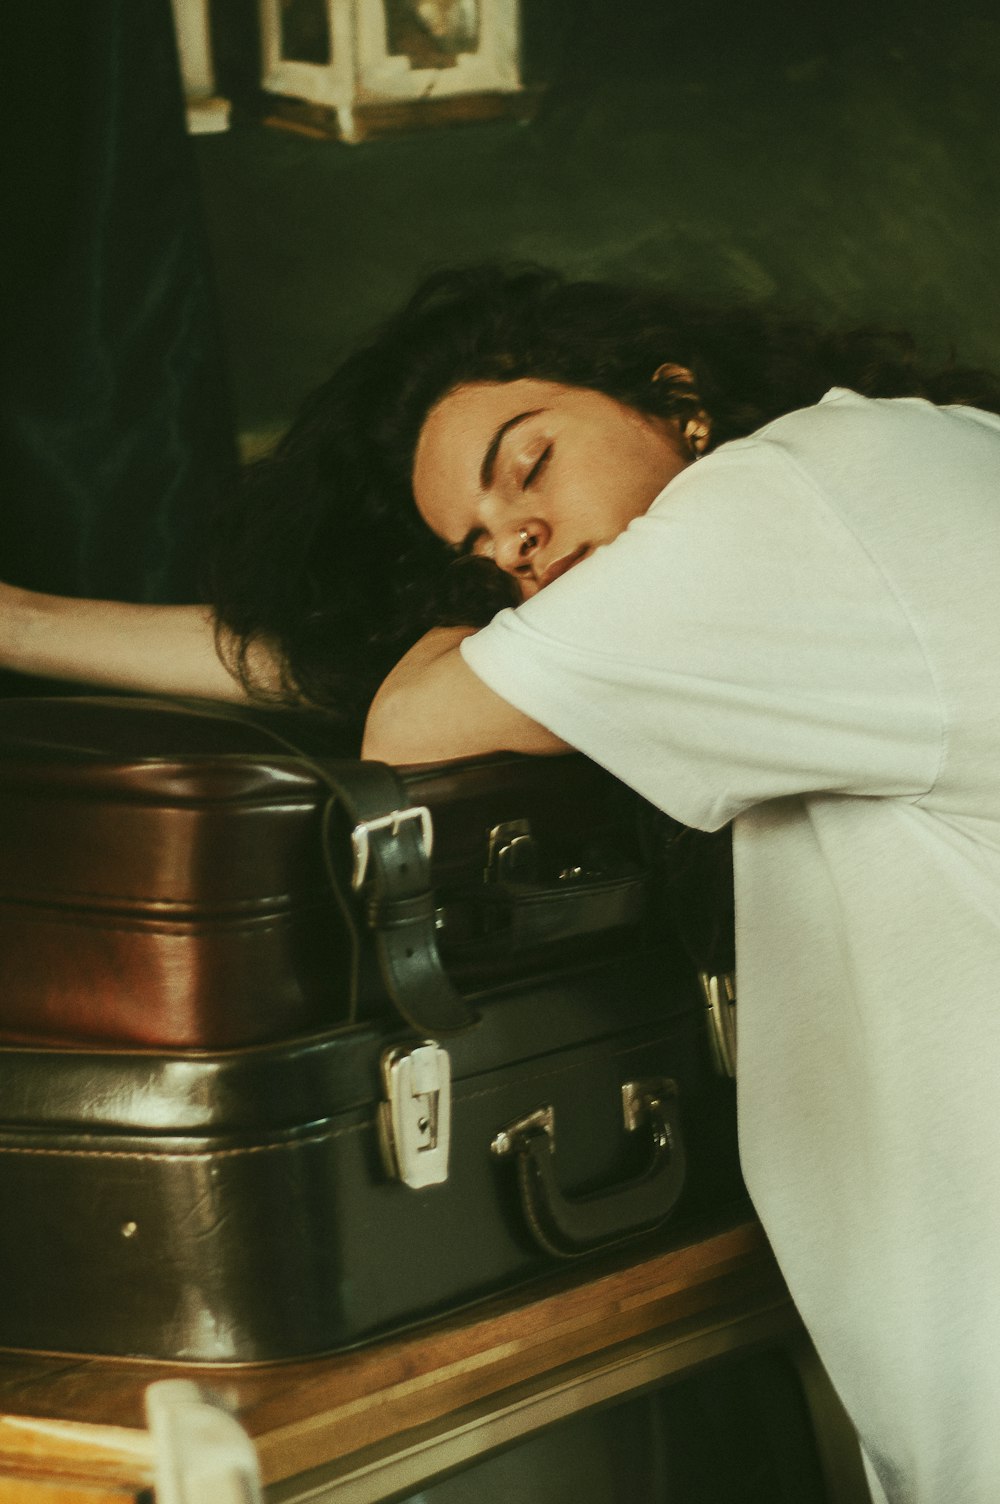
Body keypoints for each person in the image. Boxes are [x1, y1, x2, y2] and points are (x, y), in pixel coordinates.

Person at [4, 264, 1000, 1504]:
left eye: (526, 467)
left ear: (672, 397)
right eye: (478, 558)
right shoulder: (901, 459)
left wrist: (440, 639)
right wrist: (22, 622)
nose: (517, 543)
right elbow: (351, 672)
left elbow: (408, 713)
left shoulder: (778, 505)